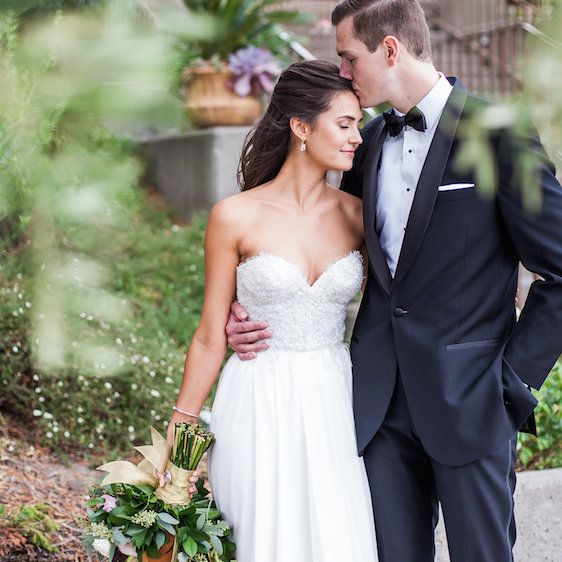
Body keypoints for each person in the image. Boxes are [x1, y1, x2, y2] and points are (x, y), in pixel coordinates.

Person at [226, 1, 562, 561]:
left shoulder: (498, 135)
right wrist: (253, 307)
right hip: (378, 411)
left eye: (347, 57)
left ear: (389, 49)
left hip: (472, 402)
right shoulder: (371, 140)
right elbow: (323, 246)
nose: (342, 72)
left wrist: (512, 383)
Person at [168, 60, 379, 561]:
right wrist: (181, 432)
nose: (356, 138)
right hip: (255, 397)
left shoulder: (359, 216)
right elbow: (209, 334)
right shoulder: (234, 216)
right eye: (345, 125)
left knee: (337, 539)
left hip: (336, 400)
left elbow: (391, 311)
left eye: (359, 126)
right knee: (258, 537)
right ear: (301, 127)